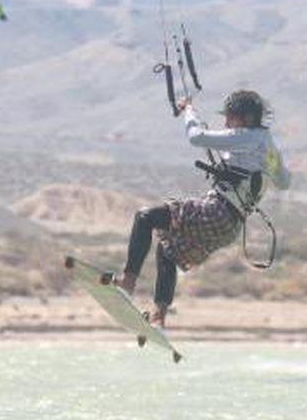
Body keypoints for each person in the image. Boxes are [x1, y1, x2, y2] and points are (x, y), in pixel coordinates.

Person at [115, 90, 291, 327]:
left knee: (145, 217)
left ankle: (127, 282)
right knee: (168, 249)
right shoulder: (268, 146)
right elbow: (284, 182)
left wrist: (188, 109)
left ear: (247, 119)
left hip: (216, 212)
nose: (226, 123)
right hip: (230, 227)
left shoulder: (249, 136)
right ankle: (158, 316)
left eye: (231, 118)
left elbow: (196, 137)